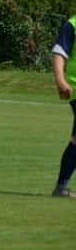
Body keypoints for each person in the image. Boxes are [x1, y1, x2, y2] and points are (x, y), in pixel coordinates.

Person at [49, 17, 76, 197]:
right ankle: (60, 187)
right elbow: (59, 52)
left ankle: (61, 187)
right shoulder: (72, 25)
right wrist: (60, 80)